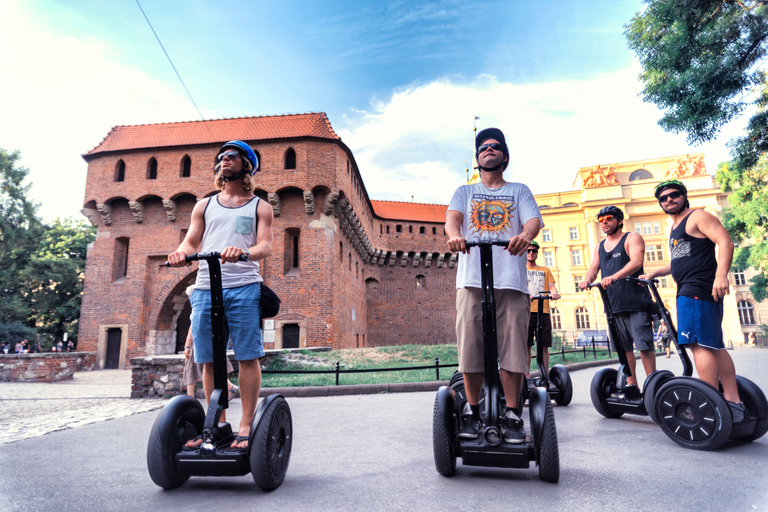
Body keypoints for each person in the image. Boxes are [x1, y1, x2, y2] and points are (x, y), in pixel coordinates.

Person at [168, 140, 273, 451]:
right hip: (204, 288)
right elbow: (191, 242)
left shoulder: (260, 207)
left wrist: (243, 253)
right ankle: (218, 424)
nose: (225, 160)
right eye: (222, 156)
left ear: (246, 166)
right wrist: (180, 253)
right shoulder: (204, 205)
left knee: (247, 356)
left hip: (244, 286)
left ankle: (244, 426)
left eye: (232, 156)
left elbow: (264, 246)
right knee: (209, 359)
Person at [446, 127, 543, 444]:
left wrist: (526, 235)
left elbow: (533, 221)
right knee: (470, 348)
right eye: (483, 147)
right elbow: (453, 218)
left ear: (505, 156)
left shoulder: (519, 190)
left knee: (514, 348)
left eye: (495, 146)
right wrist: (454, 235)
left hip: (511, 283)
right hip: (471, 280)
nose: (488, 149)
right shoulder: (465, 191)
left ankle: (513, 414)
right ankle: (473, 412)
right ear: (477, 159)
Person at [640, 179, 745, 421]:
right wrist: (656, 272)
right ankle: (733, 401)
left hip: (696, 289)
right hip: (694, 289)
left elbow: (725, 241)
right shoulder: (675, 227)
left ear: (684, 196)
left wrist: (721, 275)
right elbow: (679, 260)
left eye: (674, 195)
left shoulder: (697, 216)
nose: (669, 200)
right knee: (714, 345)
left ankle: (709, 404)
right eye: (663, 198)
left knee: (699, 344)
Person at [579, 206, 656, 395]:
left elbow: (636, 261)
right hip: (613, 304)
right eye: (601, 219)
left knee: (644, 345)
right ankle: (632, 384)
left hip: (636, 301)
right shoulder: (599, 247)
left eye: (609, 218)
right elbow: (593, 268)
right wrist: (587, 279)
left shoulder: (631, 238)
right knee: (624, 348)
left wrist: (614, 276)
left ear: (620, 221)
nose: (604, 222)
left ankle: (652, 384)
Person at [181, 285, 239, 401]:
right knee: (210, 365)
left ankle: (191, 397)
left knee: (202, 367)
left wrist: (187, 345)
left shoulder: (198, 307)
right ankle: (192, 396)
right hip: (205, 340)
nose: (189, 298)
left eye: (189, 296)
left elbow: (192, 329)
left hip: (198, 342)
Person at [525, 240, 561, 379]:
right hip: (527, 311)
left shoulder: (545, 270)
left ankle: (544, 374)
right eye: (528, 250)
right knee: (527, 345)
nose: (531, 253)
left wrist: (554, 293)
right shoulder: (521, 269)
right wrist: (525, 294)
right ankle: (526, 375)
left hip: (543, 311)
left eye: (534, 251)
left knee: (544, 345)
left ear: (537, 253)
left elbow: (551, 286)